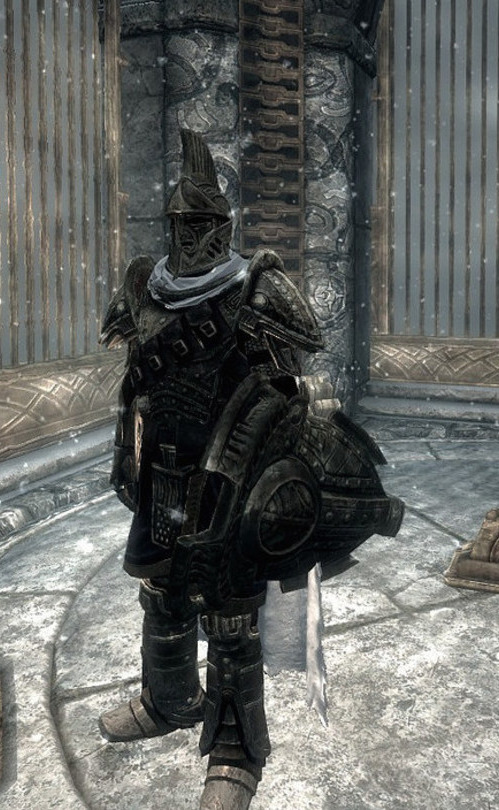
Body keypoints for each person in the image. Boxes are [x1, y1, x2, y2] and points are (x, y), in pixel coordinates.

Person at [99, 128, 401, 810]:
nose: (190, 233)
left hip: (228, 479)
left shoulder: (257, 287)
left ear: (223, 225)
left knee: (230, 615)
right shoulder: (144, 287)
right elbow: (133, 384)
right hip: (163, 473)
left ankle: (236, 751)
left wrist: (260, 460)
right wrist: (127, 455)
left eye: (201, 222)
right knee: (161, 592)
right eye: (181, 222)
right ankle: (170, 700)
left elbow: (290, 385)